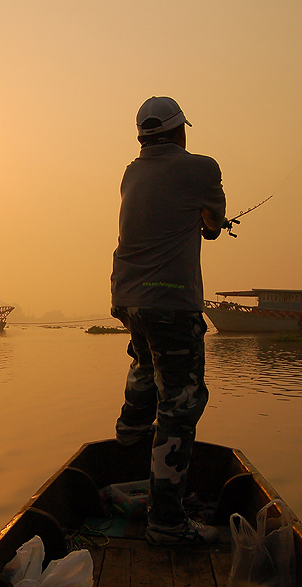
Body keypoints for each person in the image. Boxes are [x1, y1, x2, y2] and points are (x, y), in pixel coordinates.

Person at [110, 96, 227, 545]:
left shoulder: (130, 173)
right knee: (180, 406)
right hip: (172, 304)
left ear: (143, 136)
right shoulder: (202, 168)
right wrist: (206, 225)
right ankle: (167, 523)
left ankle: (130, 433)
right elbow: (213, 224)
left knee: (144, 362)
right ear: (180, 131)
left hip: (127, 298)